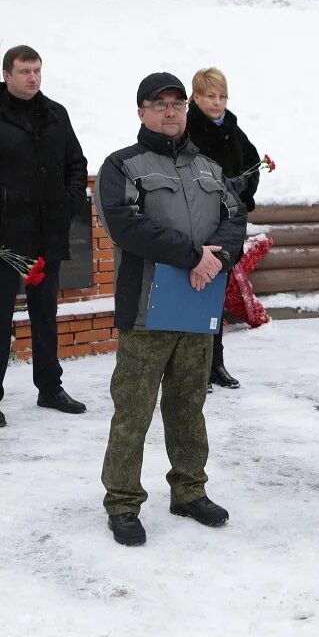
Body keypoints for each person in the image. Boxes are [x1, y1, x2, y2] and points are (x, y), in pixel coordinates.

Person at [95, 72, 247, 546]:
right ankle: (122, 501)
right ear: (141, 111)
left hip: (196, 307)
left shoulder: (208, 167)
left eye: (177, 103)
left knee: (188, 404)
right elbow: (127, 226)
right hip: (146, 309)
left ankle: (189, 490)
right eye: (158, 104)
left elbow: (234, 218)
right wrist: (192, 255)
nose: (169, 111)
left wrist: (217, 256)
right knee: (134, 410)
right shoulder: (122, 166)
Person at [0, 45, 89, 427]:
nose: (33, 78)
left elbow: (76, 164)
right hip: (2, 237)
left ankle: (49, 386)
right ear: (7, 74)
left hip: (47, 233)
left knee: (45, 313)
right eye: (25, 71)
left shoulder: (55, 114)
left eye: (37, 71)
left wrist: (69, 202)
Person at [185, 67, 261, 391]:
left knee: (216, 301)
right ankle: (193, 370)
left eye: (222, 96)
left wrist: (244, 186)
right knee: (194, 300)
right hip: (198, 226)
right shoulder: (187, 128)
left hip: (227, 226)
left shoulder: (232, 127)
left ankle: (216, 364)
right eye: (210, 96)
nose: (217, 102)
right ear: (196, 97)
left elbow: (253, 161)